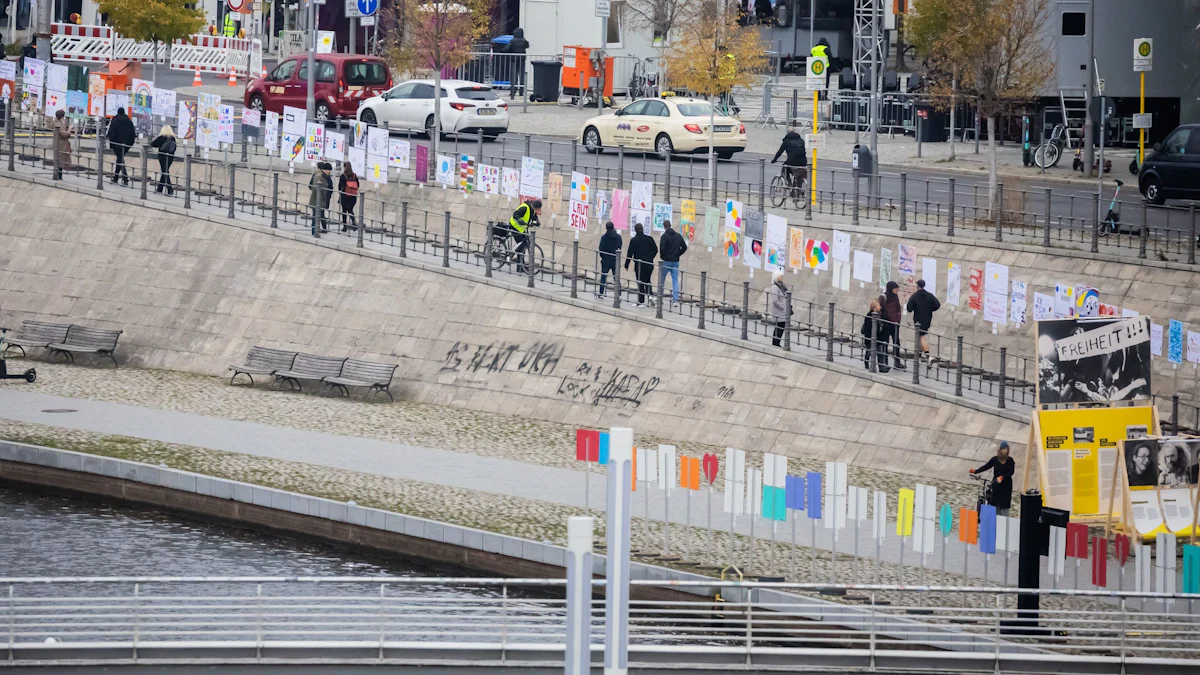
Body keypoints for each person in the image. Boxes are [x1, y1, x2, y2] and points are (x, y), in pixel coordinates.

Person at [970, 441, 1015, 516]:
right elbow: (986, 466)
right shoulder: (995, 459)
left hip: (1006, 486)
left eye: (1007, 449)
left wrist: (1002, 477)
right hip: (996, 485)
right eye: (1004, 449)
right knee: (994, 503)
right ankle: (994, 520)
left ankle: (1005, 520)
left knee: (1004, 506)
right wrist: (976, 471)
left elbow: (1011, 472)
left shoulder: (1010, 460)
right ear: (1000, 449)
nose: (1006, 450)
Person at [905, 279, 940, 370]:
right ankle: (919, 357)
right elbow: (937, 304)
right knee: (921, 336)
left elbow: (909, 308)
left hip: (918, 320)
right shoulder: (929, 295)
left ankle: (929, 357)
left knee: (921, 337)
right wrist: (929, 309)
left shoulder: (915, 296)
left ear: (917, 286)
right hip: (927, 319)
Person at [624, 223, 658, 307]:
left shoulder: (634, 240)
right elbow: (655, 249)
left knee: (640, 282)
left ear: (635, 230)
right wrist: (650, 257)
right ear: (642, 229)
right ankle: (650, 296)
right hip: (649, 263)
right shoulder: (650, 239)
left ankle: (641, 301)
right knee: (647, 280)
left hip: (639, 264)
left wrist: (626, 264)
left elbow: (630, 253)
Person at [508, 198, 541, 273]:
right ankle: (519, 266)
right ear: (533, 205)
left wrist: (537, 222)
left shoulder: (532, 209)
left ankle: (520, 265)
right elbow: (515, 214)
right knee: (522, 246)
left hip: (521, 229)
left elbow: (534, 217)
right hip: (514, 226)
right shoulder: (524, 207)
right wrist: (519, 219)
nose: (535, 210)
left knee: (524, 244)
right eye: (535, 208)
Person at [657, 220, 687, 303]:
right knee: (675, 280)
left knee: (661, 279)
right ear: (670, 225)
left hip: (666, 261)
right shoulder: (678, 236)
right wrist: (678, 254)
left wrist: (663, 256)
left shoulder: (664, 236)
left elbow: (662, 249)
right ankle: (675, 300)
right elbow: (684, 247)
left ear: (664, 226)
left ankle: (660, 297)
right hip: (675, 261)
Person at [770, 129, 807, 195]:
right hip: (803, 162)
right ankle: (798, 191)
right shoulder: (801, 141)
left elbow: (780, 152)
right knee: (799, 175)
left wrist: (774, 159)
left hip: (792, 162)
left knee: (785, 168)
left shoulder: (787, 141)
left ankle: (789, 183)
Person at [106, 107, 136, 186]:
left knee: (120, 159)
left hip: (117, 144)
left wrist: (111, 143)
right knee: (120, 159)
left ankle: (124, 178)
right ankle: (118, 178)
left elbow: (112, 132)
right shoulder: (129, 121)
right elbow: (133, 133)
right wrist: (130, 143)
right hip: (127, 144)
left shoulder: (115, 120)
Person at [860, 298, 890, 372]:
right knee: (869, 352)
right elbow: (868, 329)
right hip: (870, 338)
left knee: (880, 352)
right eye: (878, 306)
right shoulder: (869, 316)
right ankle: (866, 362)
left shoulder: (880, 315)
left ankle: (881, 367)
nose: (880, 307)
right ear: (874, 308)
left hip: (878, 338)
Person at [881, 281, 906, 370]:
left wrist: (898, 320)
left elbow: (897, 309)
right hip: (887, 323)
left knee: (896, 343)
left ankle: (897, 362)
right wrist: (887, 319)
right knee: (885, 342)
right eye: (895, 289)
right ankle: (885, 361)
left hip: (895, 324)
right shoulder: (884, 297)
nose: (897, 290)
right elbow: (881, 310)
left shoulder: (895, 297)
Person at [596, 221, 622, 300]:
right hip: (615, 260)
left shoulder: (604, 237)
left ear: (606, 228)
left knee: (603, 277)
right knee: (616, 278)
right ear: (613, 227)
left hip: (606, 260)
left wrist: (603, 257)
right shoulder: (618, 237)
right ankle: (619, 294)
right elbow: (619, 247)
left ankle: (601, 293)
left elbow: (601, 248)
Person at [149, 125, 176, 195]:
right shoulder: (173, 138)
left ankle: (170, 190)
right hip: (170, 156)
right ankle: (159, 189)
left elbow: (153, 144)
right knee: (165, 171)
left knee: (165, 171)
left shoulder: (161, 137)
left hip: (162, 156)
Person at [767, 272, 792, 347]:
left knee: (781, 326)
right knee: (780, 326)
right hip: (779, 311)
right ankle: (776, 343)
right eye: (781, 276)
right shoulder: (775, 287)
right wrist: (783, 307)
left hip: (782, 310)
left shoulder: (781, 286)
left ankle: (776, 342)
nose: (782, 277)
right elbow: (775, 300)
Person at [308, 161, 333, 234]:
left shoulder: (324, 176)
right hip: (317, 201)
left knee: (318, 216)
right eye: (329, 171)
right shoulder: (319, 176)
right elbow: (316, 188)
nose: (329, 172)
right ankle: (314, 231)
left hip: (321, 200)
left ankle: (316, 230)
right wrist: (322, 196)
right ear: (325, 169)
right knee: (316, 216)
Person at [505, 27, 529, 100]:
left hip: (514, 60)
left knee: (513, 76)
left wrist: (502, 50)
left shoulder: (512, 41)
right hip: (522, 60)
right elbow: (527, 46)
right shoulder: (524, 41)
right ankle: (521, 91)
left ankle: (513, 91)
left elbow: (507, 48)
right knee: (522, 75)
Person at [338, 163, 360, 232]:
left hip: (345, 196)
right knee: (350, 210)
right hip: (353, 196)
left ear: (345, 167)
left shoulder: (343, 176)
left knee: (344, 211)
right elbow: (358, 185)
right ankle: (353, 222)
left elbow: (339, 186)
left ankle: (345, 227)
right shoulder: (354, 176)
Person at [52, 109, 72, 180]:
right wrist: (69, 129)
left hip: (62, 144)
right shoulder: (57, 123)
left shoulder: (61, 121)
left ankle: (59, 175)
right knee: (59, 159)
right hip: (60, 144)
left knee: (61, 160)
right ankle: (58, 175)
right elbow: (64, 134)